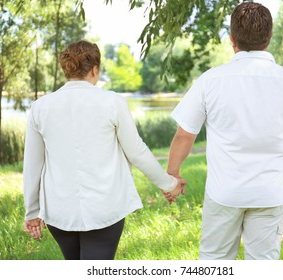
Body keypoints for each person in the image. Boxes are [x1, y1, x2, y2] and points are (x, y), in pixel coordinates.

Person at [167, 2, 283, 260]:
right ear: (270, 36)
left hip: (224, 194)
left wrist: (173, 174)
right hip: (269, 193)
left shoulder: (211, 80)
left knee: (214, 263)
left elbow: (185, 135)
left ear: (232, 40)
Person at [22, 40, 186, 260]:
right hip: (104, 209)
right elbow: (136, 152)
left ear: (66, 69)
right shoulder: (113, 102)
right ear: (95, 69)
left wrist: (32, 212)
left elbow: (32, 165)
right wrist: (169, 184)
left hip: (59, 213)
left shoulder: (40, 107)